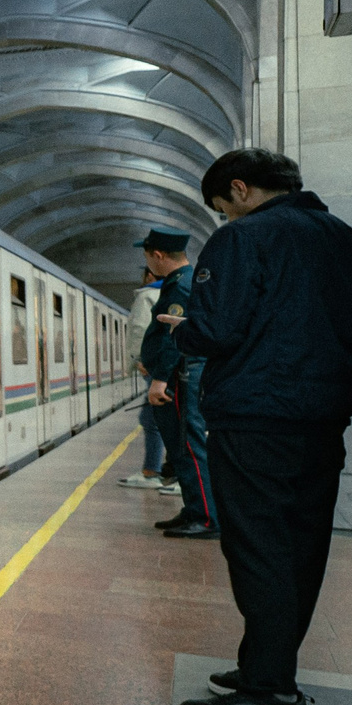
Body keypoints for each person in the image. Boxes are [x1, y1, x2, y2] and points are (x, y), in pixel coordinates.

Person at [167, 148, 352, 705]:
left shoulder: (243, 240)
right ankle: (263, 667)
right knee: (299, 547)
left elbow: (214, 329)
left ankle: (271, 694)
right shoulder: (350, 242)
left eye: (221, 209)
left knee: (257, 547)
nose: (224, 221)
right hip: (322, 415)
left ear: (239, 189)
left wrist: (181, 331)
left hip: (257, 417)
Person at [137, 230, 215, 538]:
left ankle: (207, 518)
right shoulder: (182, 282)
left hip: (180, 376)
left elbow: (175, 337)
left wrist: (159, 378)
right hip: (178, 375)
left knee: (189, 447)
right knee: (182, 449)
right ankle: (194, 509)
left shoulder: (181, 285)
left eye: (146, 257)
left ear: (157, 255)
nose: (147, 263)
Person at [116, 256, 179, 495]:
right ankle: (161, 471)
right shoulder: (173, 292)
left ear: (150, 275)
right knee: (157, 419)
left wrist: (142, 360)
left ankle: (158, 473)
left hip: (153, 367)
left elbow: (143, 330)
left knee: (156, 420)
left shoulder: (147, 296)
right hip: (164, 366)